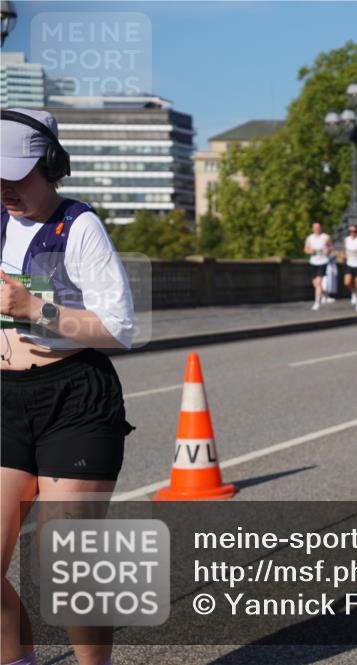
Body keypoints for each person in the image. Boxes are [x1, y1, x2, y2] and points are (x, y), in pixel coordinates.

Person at [1, 109, 135, 665]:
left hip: (75, 399)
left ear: (52, 166)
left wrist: (36, 308)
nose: (6, 188)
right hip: (6, 399)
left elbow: (120, 328)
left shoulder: (79, 227)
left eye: (17, 176)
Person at [304, 222, 332, 310]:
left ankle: (317, 302)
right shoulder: (309, 238)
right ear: (312, 229)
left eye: (318, 227)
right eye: (315, 227)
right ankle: (324, 294)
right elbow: (306, 249)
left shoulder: (325, 237)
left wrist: (327, 251)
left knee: (319, 282)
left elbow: (331, 247)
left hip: (323, 262)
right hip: (313, 262)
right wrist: (310, 251)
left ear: (321, 228)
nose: (317, 229)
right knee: (315, 284)